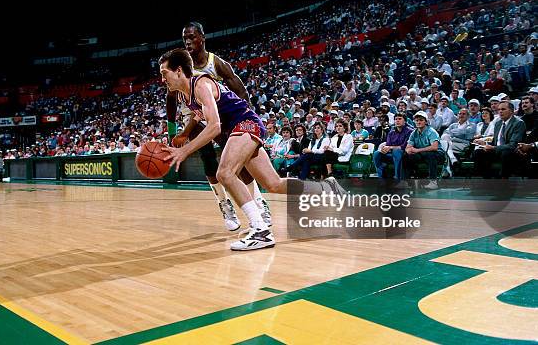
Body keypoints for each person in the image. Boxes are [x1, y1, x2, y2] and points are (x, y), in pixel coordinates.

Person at [159, 49, 345, 251]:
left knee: (225, 173)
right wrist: (184, 135)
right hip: (241, 128)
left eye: (164, 73)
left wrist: (184, 151)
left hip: (245, 123)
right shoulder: (185, 96)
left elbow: (214, 126)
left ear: (178, 71)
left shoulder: (201, 84)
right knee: (273, 184)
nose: (162, 79)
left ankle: (261, 231)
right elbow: (200, 115)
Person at [166, 22, 271, 231]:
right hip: (193, 117)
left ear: (202, 38)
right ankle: (224, 204)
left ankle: (258, 203)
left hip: (221, 116)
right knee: (209, 161)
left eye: (192, 37)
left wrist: (247, 121)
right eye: (184, 38)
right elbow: (170, 99)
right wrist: (172, 130)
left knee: (237, 162)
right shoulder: (179, 67)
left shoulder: (216, 64)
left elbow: (240, 90)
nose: (187, 41)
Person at [473, 101, 526, 178]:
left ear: (511, 111)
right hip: (497, 150)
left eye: (503, 109)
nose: (500, 111)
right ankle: (486, 179)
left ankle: (503, 180)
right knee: (478, 152)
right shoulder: (498, 123)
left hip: (511, 152)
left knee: (506, 153)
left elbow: (513, 145)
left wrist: (494, 148)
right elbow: (495, 141)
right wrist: (485, 144)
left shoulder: (518, 123)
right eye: (499, 109)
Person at [399, 111, 446, 190]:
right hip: (422, 153)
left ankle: (433, 182)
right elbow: (408, 147)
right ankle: (405, 181)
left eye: (421, 120)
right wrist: (408, 150)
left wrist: (417, 150)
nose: (418, 122)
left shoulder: (431, 131)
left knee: (430, 154)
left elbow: (434, 147)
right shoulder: (414, 133)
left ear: (426, 122)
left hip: (437, 153)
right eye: (416, 120)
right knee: (406, 156)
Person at [373, 113, 413, 181]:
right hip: (392, 153)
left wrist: (390, 148)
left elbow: (404, 147)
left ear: (405, 121)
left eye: (400, 119)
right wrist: (384, 149)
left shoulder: (410, 131)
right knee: (377, 153)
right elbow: (388, 145)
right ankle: (381, 178)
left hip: (405, 155)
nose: (397, 121)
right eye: (396, 119)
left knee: (396, 151)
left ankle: (398, 179)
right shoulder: (391, 132)